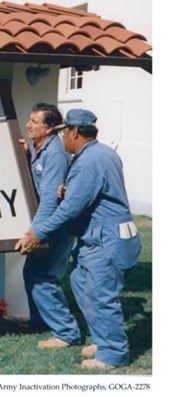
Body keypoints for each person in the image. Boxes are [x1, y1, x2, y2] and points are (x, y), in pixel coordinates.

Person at [16, 109, 141, 369]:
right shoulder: (103, 153)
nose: (62, 139)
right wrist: (69, 190)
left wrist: (38, 232)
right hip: (106, 236)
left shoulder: (87, 162)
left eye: (63, 133)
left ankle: (113, 355)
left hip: (106, 240)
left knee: (99, 295)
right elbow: (94, 191)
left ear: (74, 131)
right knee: (80, 282)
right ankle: (103, 339)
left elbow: (71, 208)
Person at [18, 103, 81, 349]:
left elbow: (50, 199)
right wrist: (27, 155)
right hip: (47, 224)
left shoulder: (54, 153)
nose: (28, 125)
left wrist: (36, 233)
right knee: (31, 273)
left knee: (43, 277)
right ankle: (40, 322)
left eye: (34, 122)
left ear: (49, 128)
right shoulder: (40, 148)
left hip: (56, 227)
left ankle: (66, 333)